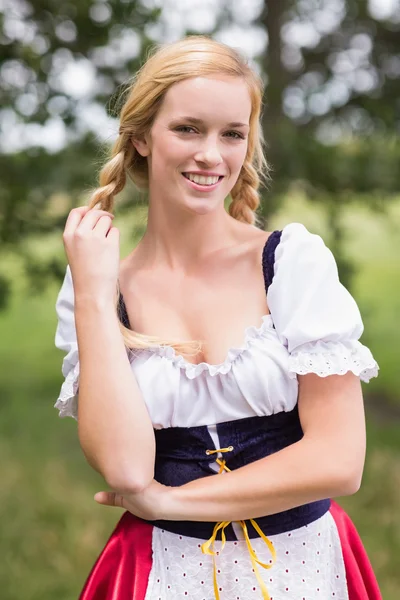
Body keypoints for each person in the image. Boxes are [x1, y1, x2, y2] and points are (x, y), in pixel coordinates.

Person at [54, 35, 382, 600]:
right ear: (140, 138)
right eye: (188, 128)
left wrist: (171, 502)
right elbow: (127, 470)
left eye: (232, 134)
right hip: (160, 569)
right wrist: (92, 293)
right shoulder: (98, 286)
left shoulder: (290, 263)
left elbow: (339, 461)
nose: (212, 154)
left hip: (301, 564)